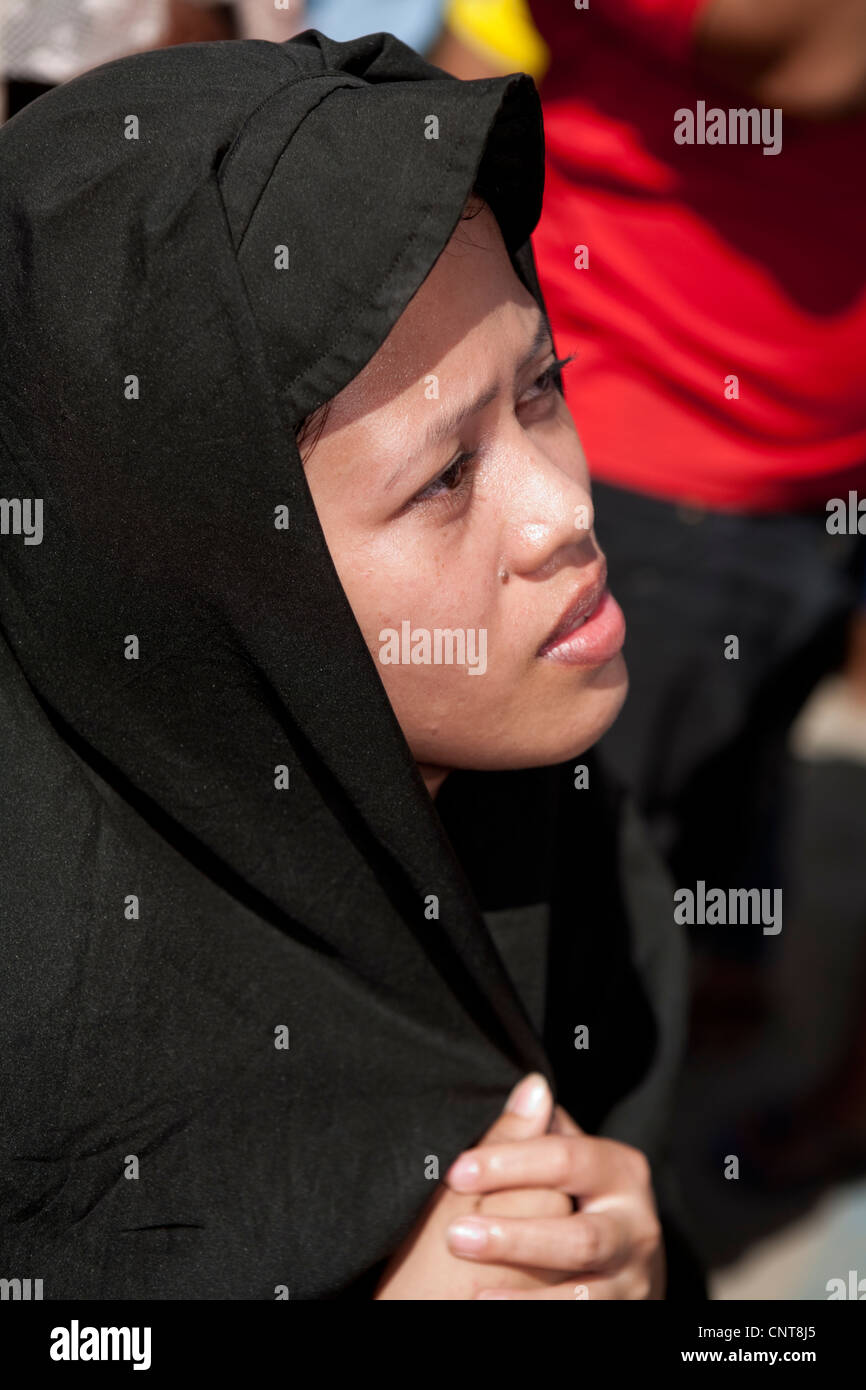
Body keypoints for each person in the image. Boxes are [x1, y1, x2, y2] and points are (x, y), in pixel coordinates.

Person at [0, 28, 703, 1298]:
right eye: (444, 476)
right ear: (220, 584)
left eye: (542, 387)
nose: (563, 515)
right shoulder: (49, 1069)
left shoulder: (538, 792)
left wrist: (636, 1264)